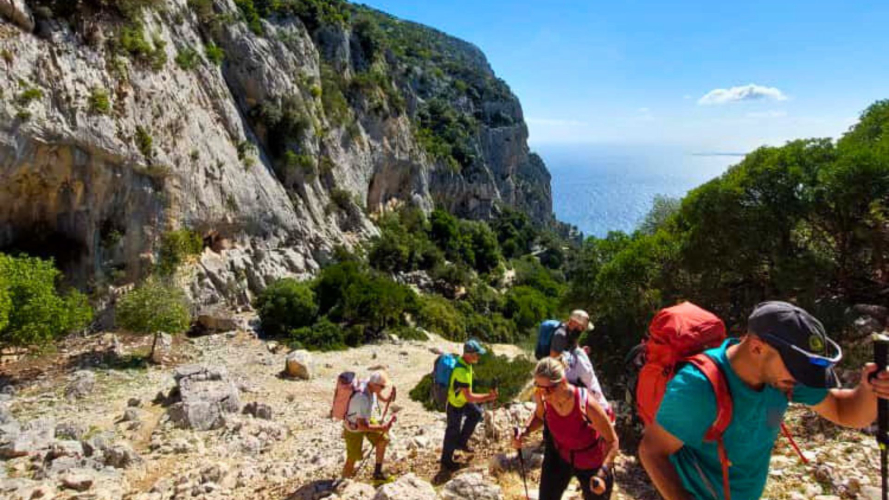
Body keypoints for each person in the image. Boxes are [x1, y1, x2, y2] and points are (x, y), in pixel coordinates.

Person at [639, 301, 889, 500]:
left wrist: (870, 390)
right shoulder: (698, 388)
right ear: (757, 348)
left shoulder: (782, 378)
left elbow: (844, 411)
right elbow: (652, 451)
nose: (800, 377)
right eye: (796, 368)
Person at [513, 357, 619, 500]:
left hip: (591, 463)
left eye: (548, 389)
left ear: (562, 382)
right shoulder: (545, 399)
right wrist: (524, 432)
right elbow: (539, 417)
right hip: (559, 456)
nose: (543, 394)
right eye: (538, 387)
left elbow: (612, 441)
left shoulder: (586, 404)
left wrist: (603, 473)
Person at [440, 339, 498, 471]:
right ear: (468, 354)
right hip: (455, 404)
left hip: (461, 400)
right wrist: (489, 397)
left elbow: (468, 391)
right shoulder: (462, 371)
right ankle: (446, 461)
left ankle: (461, 443)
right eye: (477, 354)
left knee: (476, 414)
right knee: (452, 431)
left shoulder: (466, 364)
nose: (478, 356)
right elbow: (470, 397)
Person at [550, 310, 610, 413]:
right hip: (561, 373)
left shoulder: (571, 333)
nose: (582, 330)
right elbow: (553, 357)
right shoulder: (560, 335)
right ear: (573, 323)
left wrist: (581, 351)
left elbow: (574, 346)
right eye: (581, 327)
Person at [342, 370, 397, 482]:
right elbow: (362, 426)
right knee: (352, 458)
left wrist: (386, 399)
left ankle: (377, 473)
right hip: (353, 427)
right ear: (374, 384)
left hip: (363, 418)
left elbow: (376, 392)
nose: (383, 389)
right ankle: (343, 483)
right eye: (382, 387)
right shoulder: (361, 398)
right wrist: (382, 428)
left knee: (382, 440)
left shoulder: (369, 382)